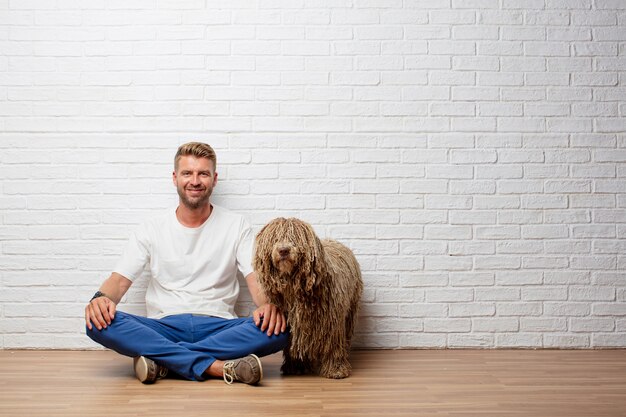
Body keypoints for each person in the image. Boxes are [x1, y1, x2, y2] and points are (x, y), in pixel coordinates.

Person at [85, 142, 289, 385]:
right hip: (164, 326)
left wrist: (269, 307)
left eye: (203, 173)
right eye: (187, 173)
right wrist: (99, 299)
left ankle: (163, 360)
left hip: (220, 326)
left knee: (282, 327)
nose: (195, 180)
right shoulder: (151, 227)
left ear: (214, 179)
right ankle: (216, 367)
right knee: (97, 324)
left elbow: (256, 280)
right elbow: (118, 281)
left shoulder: (237, 225)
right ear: (175, 178)